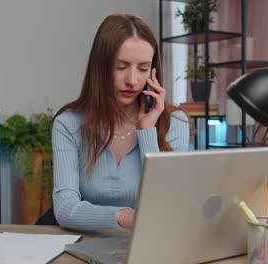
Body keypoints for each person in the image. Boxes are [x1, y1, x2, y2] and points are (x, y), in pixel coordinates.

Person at [52, 13, 189, 231]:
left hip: (150, 246)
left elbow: (166, 206)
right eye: (121, 66)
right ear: (101, 67)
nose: (132, 80)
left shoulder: (175, 123)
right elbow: (64, 208)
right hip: (87, 245)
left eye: (143, 68)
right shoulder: (68, 124)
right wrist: (123, 216)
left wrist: (147, 132)